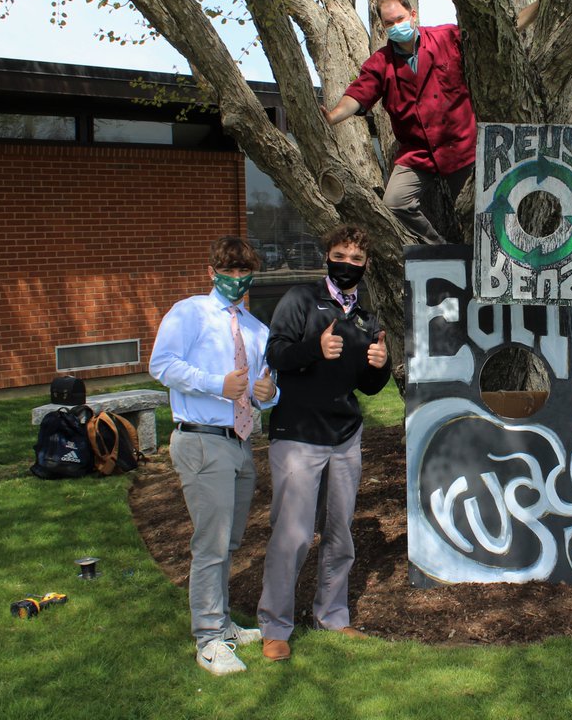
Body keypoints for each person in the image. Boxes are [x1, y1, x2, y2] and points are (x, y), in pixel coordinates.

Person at [257, 225, 391, 662]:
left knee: (339, 534)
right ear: (326, 257)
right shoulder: (299, 299)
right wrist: (314, 348)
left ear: (366, 265)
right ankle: (275, 626)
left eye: (356, 259)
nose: (347, 264)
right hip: (298, 435)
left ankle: (332, 616)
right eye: (340, 255)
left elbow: (367, 388)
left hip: (345, 438)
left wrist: (379, 366)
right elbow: (276, 354)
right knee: (293, 535)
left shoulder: (365, 318)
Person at [149, 236, 279, 675]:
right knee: (211, 543)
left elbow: (264, 391)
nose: (236, 279)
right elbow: (162, 365)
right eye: (229, 271)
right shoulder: (189, 313)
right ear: (212, 271)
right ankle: (207, 638)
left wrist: (269, 393)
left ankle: (223, 625)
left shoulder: (256, 329)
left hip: (240, 442)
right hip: (201, 439)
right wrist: (216, 384)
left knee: (231, 540)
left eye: (244, 273)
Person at [321, 0, 476, 244]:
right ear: (383, 27)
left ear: (413, 15)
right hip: (418, 153)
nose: (396, 26)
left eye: (400, 19)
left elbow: (489, 39)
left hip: (461, 146)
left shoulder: (446, 37)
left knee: (478, 208)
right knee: (394, 203)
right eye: (389, 23)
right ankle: (439, 250)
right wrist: (333, 116)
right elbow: (359, 94)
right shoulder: (380, 63)